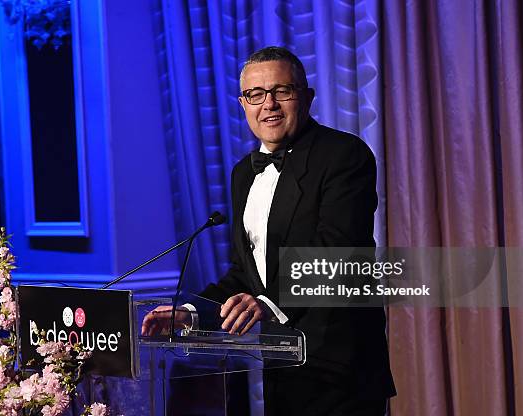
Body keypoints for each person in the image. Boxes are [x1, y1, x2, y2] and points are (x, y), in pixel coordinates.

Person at [143, 46, 395, 415]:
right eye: (256, 95)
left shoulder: (345, 155)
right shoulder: (243, 174)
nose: (269, 105)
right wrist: (190, 312)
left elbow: (336, 253)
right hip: (281, 368)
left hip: (341, 370)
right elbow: (245, 276)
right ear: (243, 104)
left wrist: (264, 302)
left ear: (306, 97)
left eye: (282, 91)